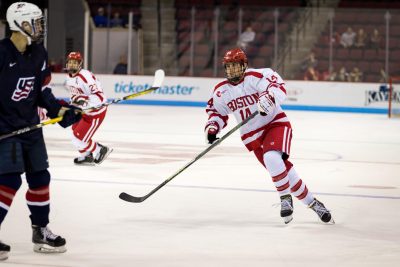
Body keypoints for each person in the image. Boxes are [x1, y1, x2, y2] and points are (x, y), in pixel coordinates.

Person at [204, 48, 334, 224]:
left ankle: (284, 199)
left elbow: (277, 86)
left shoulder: (257, 76)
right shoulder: (221, 91)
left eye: (235, 66)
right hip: (253, 138)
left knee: (272, 157)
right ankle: (313, 203)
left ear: (244, 65)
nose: (232, 71)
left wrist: (268, 98)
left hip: (275, 124)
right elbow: (216, 112)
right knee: (285, 172)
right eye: (229, 67)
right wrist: (212, 128)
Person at [0, 2, 82, 260]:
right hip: (5, 129)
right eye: (35, 22)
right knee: (9, 180)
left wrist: (61, 112)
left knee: (40, 178)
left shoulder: (39, 53)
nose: (40, 27)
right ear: (18, 24)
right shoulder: (1, 53)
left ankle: (40, 231)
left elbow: (41, 92)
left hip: (30, 128)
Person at [65, 51, 113, 165]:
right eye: (70, 62)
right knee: (74, 133)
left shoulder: (85, 77)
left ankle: (100, 150)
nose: (72, 65)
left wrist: (84, 100)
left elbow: (100, 98)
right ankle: (87, 156)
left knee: (79, 140)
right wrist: (74, 105)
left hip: (95, 113)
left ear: (80, 64)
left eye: (75, 63)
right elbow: (74, 96)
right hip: (84, 112)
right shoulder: (69, 77)